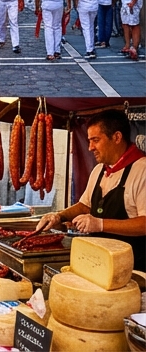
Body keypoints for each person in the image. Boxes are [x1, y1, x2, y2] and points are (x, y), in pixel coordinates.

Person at [35, 109, 146, 268]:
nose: (90, 147)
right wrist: (58, 217)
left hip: (132, 268)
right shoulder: (99, 170)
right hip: (99, 264)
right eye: (89, 141)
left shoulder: (142, 170)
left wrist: (100, 224)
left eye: (95, 140)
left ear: (116, 137)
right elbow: (85, 206)